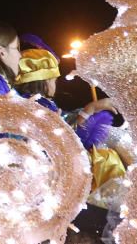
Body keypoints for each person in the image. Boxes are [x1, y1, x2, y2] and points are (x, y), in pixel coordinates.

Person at [13, 48, 126, 193]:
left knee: (109, 142)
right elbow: (64, 138)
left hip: (56, 162)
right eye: (54, 80)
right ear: (45, 81)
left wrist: (89, 110)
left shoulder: (31, 102)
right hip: (52, 169)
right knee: (108, 156)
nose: (55, 84)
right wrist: (89, 109)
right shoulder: (36, 104)